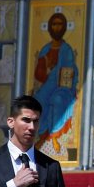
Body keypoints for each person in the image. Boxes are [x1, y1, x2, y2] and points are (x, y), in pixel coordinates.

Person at [32, 12, 79, 152]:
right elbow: (38, 74)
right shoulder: (45, 49)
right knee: (37, 101)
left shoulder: (67, 50)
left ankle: (54, 138)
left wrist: (60, 74)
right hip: (47, 85)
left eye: (59, 24)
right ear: (50, 27)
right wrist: (46, 69)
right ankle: (41, 137)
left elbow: (70, 72)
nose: (57, 27)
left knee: (57, 100)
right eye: (54, 24)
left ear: (64, 27)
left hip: (63, 88)